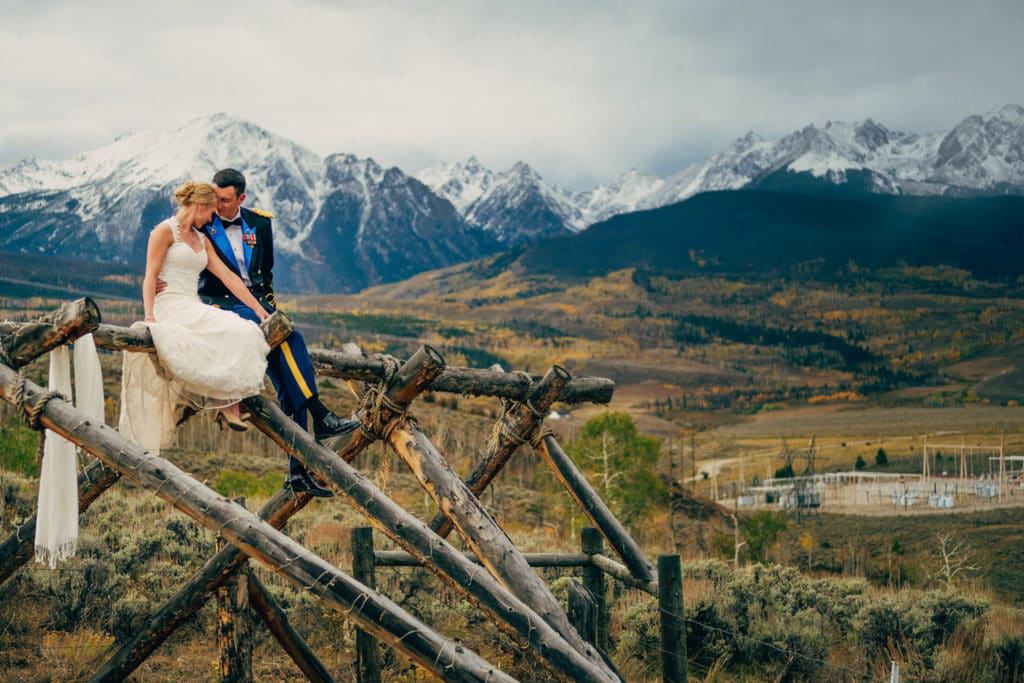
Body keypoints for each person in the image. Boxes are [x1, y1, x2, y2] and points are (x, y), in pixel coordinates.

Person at [196, 168, 357, 497]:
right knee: (290, 340)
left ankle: (297, 474)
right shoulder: (203, 221)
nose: (218, 204)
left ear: (241, 198)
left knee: (288, 384)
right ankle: (321, 415)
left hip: (254, 304)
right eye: (215, 197)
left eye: (225, 200)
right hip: (221, 306)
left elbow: (264, 275)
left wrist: (266, 308)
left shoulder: (260, 223)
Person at [132, 181, 270, 436]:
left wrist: (258, 308)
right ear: (199, 205)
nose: (211, 219)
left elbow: (229, 277)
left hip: (190, 304)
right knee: (220, 333)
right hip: (169, 305)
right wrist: (149, 316)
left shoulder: (202, 240)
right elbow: (150, 276)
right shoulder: (163, 232)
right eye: (210, 212)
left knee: (243, 329)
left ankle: (226, 402)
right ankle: (226, 404)